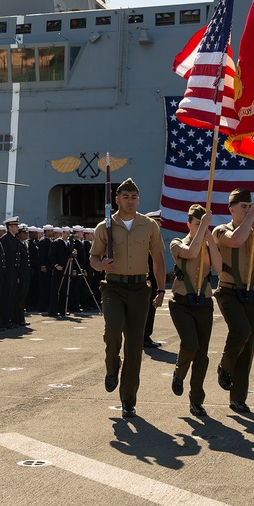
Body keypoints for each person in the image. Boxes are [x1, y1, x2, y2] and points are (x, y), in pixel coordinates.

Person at [89, 178, 165, 419]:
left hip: (139, 289)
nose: (130, 201)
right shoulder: (105, 227)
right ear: (117, 199)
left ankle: (128, 400)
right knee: (112, 329)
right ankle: (112, 367)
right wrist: (102, 264)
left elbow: (158, 259)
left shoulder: (149, 225)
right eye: (125, 197)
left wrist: (161, 290)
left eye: (134, 197)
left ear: (138, 200)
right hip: (113, 287)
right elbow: (93, 258)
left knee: (135, 346)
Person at [212, 188, 254, 413]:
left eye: (250, 206)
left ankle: (238, 398)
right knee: (241, 331)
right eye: (244, 206)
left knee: (248, 347)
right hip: (228, 291)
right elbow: (235, 240)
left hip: (250, 293)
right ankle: (225, 366)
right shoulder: (221, 231)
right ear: (231, 209)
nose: (249, 209)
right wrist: (251, 218)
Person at [168, 204, 222, 417]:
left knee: (202, 355)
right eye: (198, 224)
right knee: (190, 344)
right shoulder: (177, 243)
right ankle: (179, 373)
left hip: (204, 303)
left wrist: (210, 240)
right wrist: (202, 233)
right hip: (181, 303)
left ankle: (196, 400)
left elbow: (218, 268)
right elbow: (190, 253)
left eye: (204, 224)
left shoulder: (209, 244)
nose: (202, 227)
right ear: (189, 224)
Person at [143, 210, 165, 348]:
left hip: (154, 278)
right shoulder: (145, 239)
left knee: (151, 309)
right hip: (146, 278)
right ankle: (143, 336)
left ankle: (147, 335)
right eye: (156, 222)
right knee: (146, 309)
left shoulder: (155, 238)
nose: (159, 225)